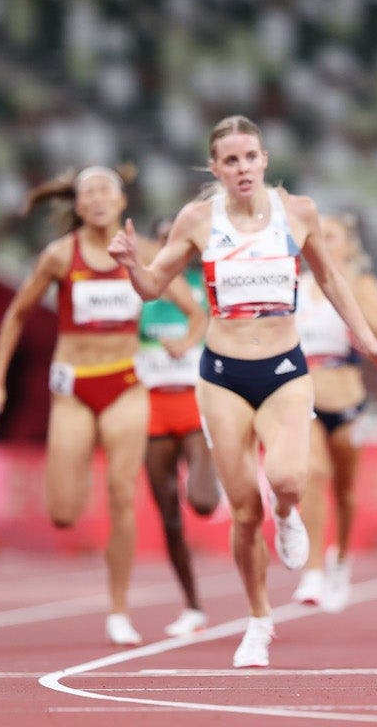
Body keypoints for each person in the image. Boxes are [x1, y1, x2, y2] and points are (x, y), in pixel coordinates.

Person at [107, 115, 377, 668]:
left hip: (284, 370)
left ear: (265, 159)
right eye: (230, 160)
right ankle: (258, 620)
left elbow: (333, 279)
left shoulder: (298, 213)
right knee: (245, 512)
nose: (242, 168)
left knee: (288, 477)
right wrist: (132, 265)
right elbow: (154, 285)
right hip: (221, 375)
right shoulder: (199, 219)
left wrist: (368, 342)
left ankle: (291, 513)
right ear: (215, 168)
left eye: (250, 157)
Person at [0, 165, 206, 647]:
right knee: (62, 511)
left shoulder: (143, 252)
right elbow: (17, 314)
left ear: (122, 202)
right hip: (75, 388)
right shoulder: (60, 256)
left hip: (125, 383)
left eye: (107, 189)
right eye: (88, 192)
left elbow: (195, 313)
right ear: (78, 206)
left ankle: (118, 611)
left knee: (123, 495)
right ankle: (71, 508)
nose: (98, 197)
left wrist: (186, 341)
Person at [291, 214, 377, 612]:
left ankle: (341, 560)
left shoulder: (362, 284)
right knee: (313, 475)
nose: (320, 240)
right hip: (303, 397)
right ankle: (315, 569)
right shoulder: (294, 285)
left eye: (330, 235)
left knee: (344, 489)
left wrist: (351, 297)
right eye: (313, 234)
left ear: (348, 246)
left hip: (348, 399)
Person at [134, 217, 221, 637]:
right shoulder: (143, 293)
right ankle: (192, 605)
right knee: (168, 512)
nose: (172, 245)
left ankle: (215, 467)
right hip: (152, 407)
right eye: (164, 238)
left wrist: (189, 345)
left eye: (180, 240)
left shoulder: (206, 290)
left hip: (195, 402)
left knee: (203, 502)